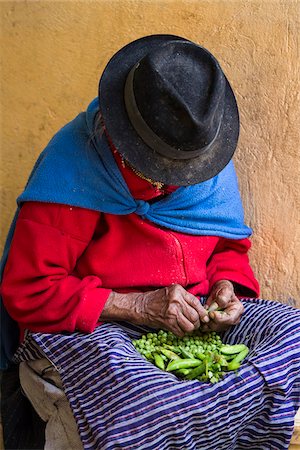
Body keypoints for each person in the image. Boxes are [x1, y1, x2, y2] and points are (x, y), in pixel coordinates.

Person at [0, 34, 299, 450]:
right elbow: (30, 288)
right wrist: (139, 306)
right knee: (151, 401)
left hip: (192, 316)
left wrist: (225, 287)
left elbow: (226, 248)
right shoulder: (77, 163)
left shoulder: (205, 157)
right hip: (98, 324)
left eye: (188, 167)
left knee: (293, 336)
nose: (176, 181)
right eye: (160, 166)